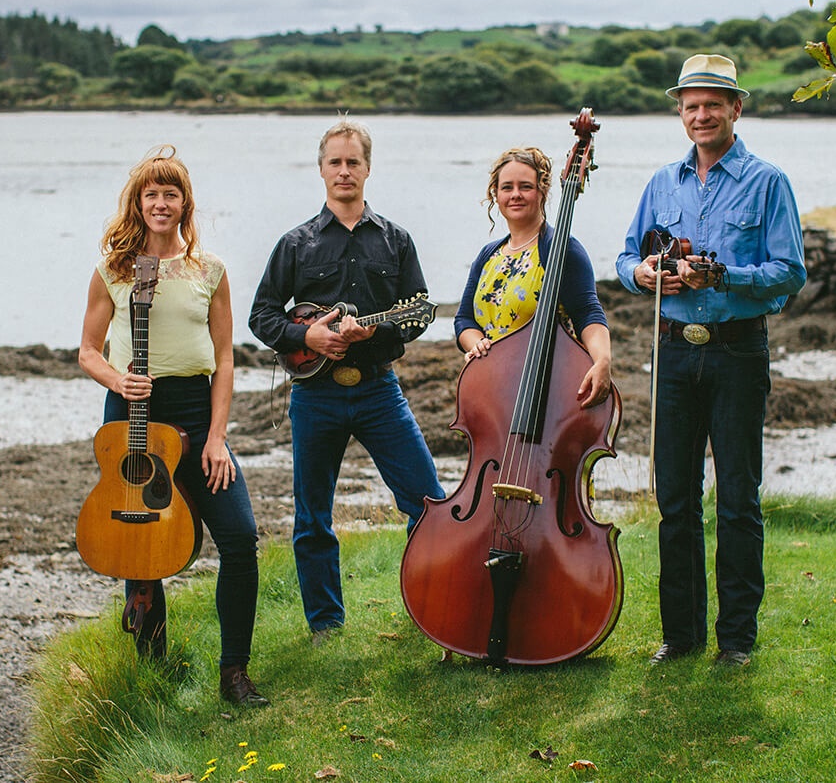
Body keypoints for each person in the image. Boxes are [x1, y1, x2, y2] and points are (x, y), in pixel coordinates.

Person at [615, 55, 806, 668]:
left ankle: (737, 641)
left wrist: (725, 274)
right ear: (680, 112)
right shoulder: (660, 183)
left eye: (713, 104)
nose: (702, 115)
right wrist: (642, 273)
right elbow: (626, 258)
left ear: (736, 109)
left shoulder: (768, 180)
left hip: (737, 352)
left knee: (738, 501)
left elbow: (789, 272)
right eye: (691, 105)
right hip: (671, 351)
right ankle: (682, 637)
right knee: (674, 498)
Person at [78, 145, 268, 706]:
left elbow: (225, 359)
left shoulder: (210, 271)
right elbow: (88, 351)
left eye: (171, 193)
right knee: (140, 544)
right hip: (133, 415)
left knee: (239, 539)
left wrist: (215, 438)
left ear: (185, 204)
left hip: (193, 409)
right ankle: (152, 669)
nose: (161, 202)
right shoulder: (112, 269)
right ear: (138, 203)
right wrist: (118, 381)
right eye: (151, 193)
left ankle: (234, 672)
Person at [248, 119, 445, 645]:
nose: (343, 171)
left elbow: (420, 311)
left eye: (352, 161)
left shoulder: (397, 241)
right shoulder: (295, 243)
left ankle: (430, 609)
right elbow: (261, 316)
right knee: (313, 516)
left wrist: (370, 334)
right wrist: (307, 336)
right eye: (334, 162)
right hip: (315, 395)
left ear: (367, 168)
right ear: (321, 169)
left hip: (380, 389)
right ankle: (326, 627)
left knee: (428, 503)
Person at [455, 146, 612, 409]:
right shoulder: (489, 254)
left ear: (543, 191)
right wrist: (477, 344)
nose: (515, 195)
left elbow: (587, 312)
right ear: (495, 193)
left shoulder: (562, 249)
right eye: (507, 187)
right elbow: (464, 318)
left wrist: (603, 360)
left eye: (525, 186)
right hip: (491, 388)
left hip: (548, 391)